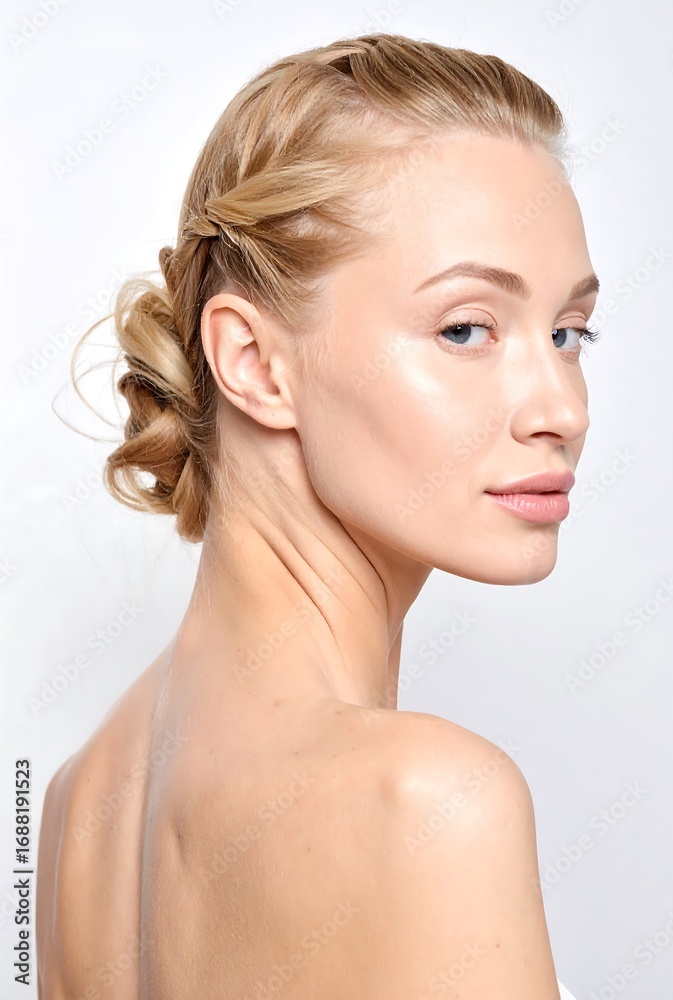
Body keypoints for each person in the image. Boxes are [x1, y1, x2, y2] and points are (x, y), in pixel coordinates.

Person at [36, 32, 599, 999]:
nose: (562, 408)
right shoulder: (431, 802)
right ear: (254, 362)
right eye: (466, 328)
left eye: (568, 332)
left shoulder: (73, 812)